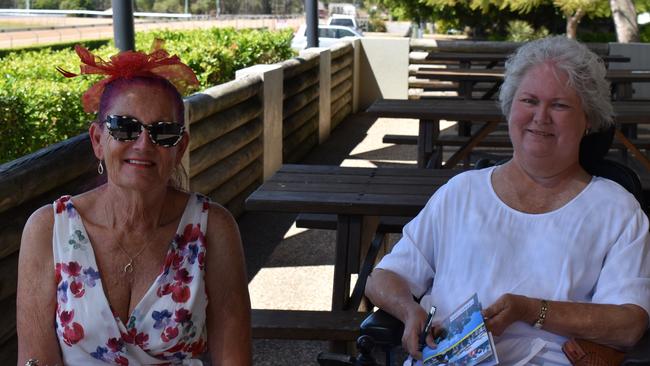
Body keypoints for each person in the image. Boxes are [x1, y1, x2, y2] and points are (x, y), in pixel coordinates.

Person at [365, 36, 650, 365]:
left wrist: (532, 310)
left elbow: (629, 324)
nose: (540, 116)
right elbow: (384, 277)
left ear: (588, 120)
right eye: (529, 100)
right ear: (510, 107)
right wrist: (409, 310)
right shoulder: (461, 193)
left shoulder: (616, 210)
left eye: (559, 105)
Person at [16, 40, 252, 365]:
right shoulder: (48, 230)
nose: (143, 144)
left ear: (180, 148)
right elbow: (35, 358)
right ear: (98, 140)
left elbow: (234, 359)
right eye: (125, 127)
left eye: (163, 132)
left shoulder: (214, 228)